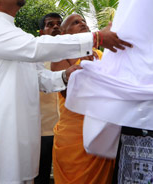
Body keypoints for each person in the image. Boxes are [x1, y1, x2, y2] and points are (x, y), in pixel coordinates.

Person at [0, 0, 131, 184]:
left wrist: (65, 76)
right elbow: (36, 47)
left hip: (14, 134)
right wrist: (96, 37)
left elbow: (37, 76)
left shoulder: (11, 32)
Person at [51, 14, 115, 184]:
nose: (82, 24)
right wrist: (87, 70)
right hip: (74, 136)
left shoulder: (100, 54)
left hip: (102, 130)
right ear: (64, 35)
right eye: (75, 23)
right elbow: (67, 93)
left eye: (83, 21)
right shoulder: (60, 55)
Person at [35, 12, 63, 184]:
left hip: (66, 131)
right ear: (41, 31)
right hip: (42, 129)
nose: (55, 27)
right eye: (50, 24)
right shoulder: (34, 56)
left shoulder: (72, 56)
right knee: (41, 176)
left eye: (58, 24)